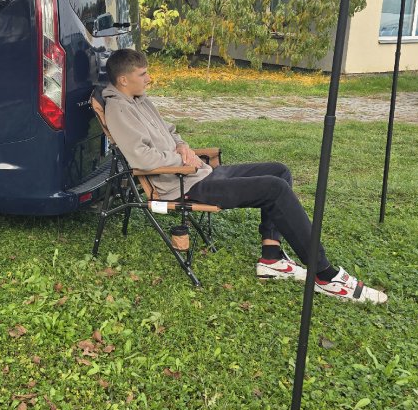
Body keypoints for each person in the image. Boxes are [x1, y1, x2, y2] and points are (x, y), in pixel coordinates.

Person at [102, 48, 387, 305]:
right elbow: (142, 158)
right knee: (275, 189)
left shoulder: (140, 100)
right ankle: (325, 275)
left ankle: (272, 258)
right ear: (124, 80)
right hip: (181, 185)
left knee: (279, 170)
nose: (149, 78)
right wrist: (183, 161)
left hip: (198, 173)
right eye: (143, 74)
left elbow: (170, 131)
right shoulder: (118, 109)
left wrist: (183, 146)